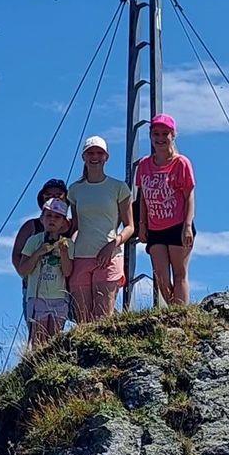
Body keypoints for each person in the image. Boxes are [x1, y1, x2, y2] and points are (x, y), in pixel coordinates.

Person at [67, 135, 134, 321]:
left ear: (106, 157)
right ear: (84, 157)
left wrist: (113, 244)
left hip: (109, 256)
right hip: (81, 256)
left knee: (103, 318)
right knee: (82, 320)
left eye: (99, 153)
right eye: (90, 153)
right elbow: (75, 226)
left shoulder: (118, 187)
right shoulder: (75, 190)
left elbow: (130, 226)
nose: (95, 157)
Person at [135, 113, 196, 305]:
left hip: (178, 225)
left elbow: (189, 196)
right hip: (155, 228)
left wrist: (187, 226)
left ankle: (181, 313)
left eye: (165, 134)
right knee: (161, 276)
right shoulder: (144, 165)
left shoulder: (181, 163)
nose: (160, 138)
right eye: (156, 134)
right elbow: (143, 197)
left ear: (173, 135)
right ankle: (173, 309)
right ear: (151, 136)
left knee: (179, 273)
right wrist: (142, 224)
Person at [15, 197, 75, 347]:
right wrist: (38, 253)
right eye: (49, 215)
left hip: (59, 297)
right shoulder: (33, 241)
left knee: (55, 340)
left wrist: (64, 253)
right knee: (38, 340)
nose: (52, 220)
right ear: (42, 219)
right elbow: (23, 270)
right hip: (37, 298)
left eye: (57, 217)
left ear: (63, 223)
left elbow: (68, 272)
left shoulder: (67, 244)